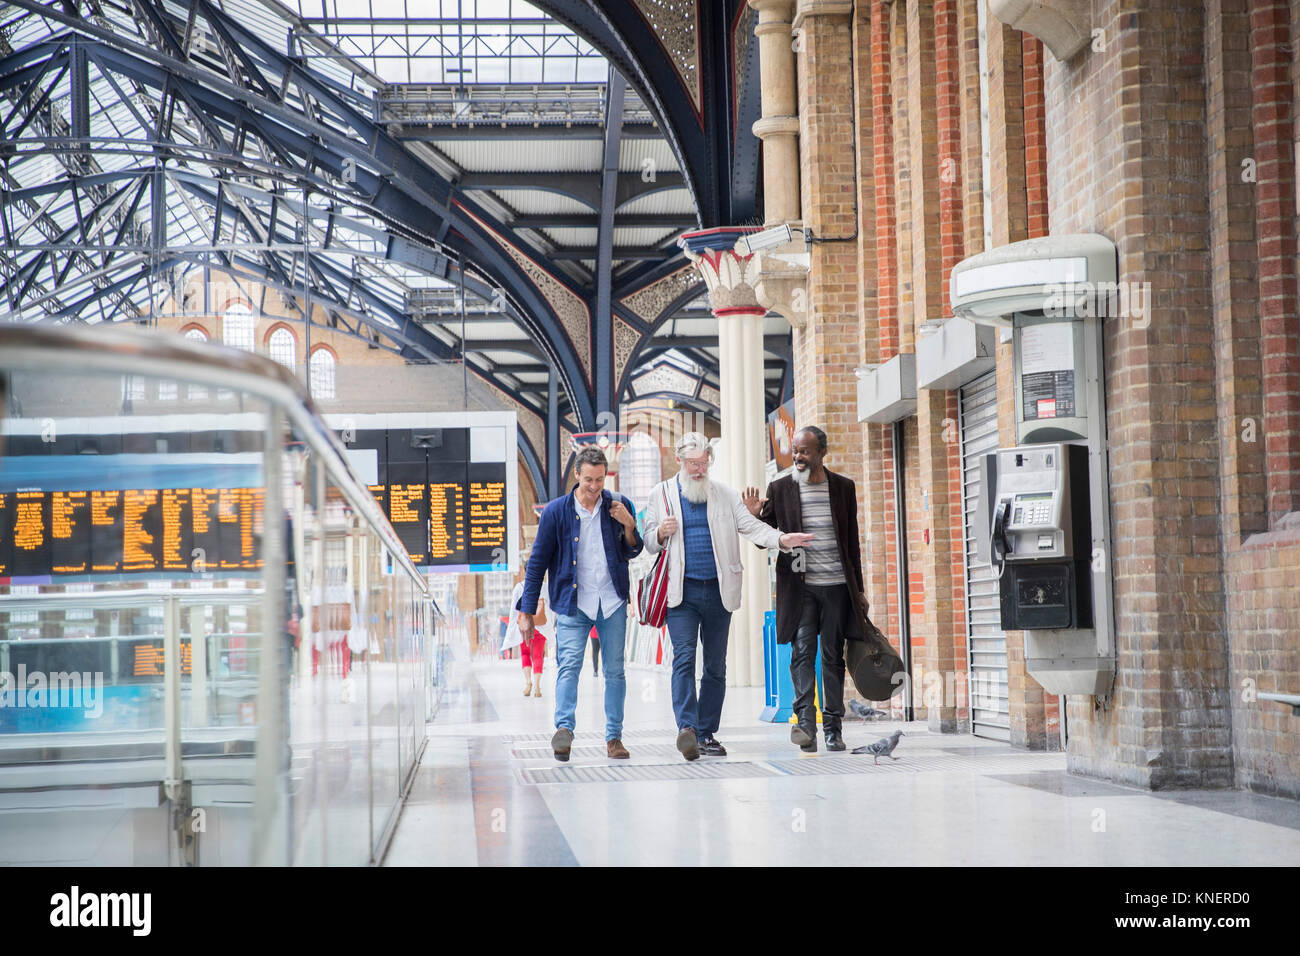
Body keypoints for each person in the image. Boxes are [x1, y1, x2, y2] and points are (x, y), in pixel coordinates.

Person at [644, 433, 813, 761]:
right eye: (692, 463)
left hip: (719, 592)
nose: (698, 469)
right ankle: (687, 729)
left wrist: (782, 539)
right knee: (683, 659)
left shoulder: (723, 495)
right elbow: (648, 541)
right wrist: (660, 533)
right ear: (680, 461)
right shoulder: (660, 494)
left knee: (716, 666)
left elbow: (751, 527)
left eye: (703, 463)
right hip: (681, 593)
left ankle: (706, 733)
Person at [744, 425, 870, 754]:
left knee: (832, 656)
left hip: (837, 587)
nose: (798, 456)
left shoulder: (843, 488)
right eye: (796, 451)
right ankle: (805, 725)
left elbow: (852, 543)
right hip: (799, 588)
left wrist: (859, 589)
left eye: (805, 451)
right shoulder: (781, 488)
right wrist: (756, 518)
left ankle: (833, 728)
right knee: (802, 654)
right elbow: (766, 539)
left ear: (821, 453)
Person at [519, 446, 643, 761]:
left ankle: (614, 738)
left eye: (599, 480)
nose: (594, 486)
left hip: (612, 601)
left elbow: (633, 551)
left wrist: (629, 525)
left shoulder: (619, 505)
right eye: (588, 479)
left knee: (615, 671)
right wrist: (526, 612)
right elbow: (536, 564)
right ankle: (564, 731)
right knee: (569, 666)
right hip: (573, 604)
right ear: (577, 475)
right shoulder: (556, 512)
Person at [508, 560, 551, 697]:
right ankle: (538, 687)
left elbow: (514, 610)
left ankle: (528, 682)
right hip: (541, 626)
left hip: (524, 626)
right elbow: (550, 609)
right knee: (538, 655)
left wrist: (513, 626)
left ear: (525, 571)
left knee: (525, 654)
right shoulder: (544, 587)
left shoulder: (519, 587)